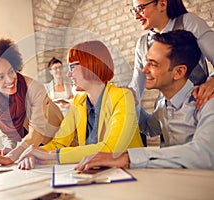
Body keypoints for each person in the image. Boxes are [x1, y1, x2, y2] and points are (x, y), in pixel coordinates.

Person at [75, 30, 214, 170]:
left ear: (178, 72)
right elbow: (149, 128)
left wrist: (128, 158)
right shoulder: (162, 105)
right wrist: (132, 103)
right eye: (146, 61)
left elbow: (205, 153)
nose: (144, 69)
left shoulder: (207, 101)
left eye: (153, 64)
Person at [15, 40, 143, 170]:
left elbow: (111, 149)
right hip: (93, 173)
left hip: (131, 174)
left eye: (72, 67)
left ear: (90, 65)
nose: (68, 74)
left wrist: (49, 155)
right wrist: (35, 153)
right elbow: (59, 142)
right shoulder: (78, 101)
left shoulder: (123, 97)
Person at [0, 38, 64, 166]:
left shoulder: (35, 88)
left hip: (57, 146)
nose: (10, 79)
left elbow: (37, 133)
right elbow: (8, 132)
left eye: (11, 71)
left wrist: (13, 155)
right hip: (32, 152)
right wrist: (9, 148)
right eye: (0, 77)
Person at [128, 0, 214, 111]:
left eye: (140, 9)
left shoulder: (188, 22)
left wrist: (212, 80)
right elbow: (136, 86)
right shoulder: (143, 43)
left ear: (162, 4)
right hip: (165, 115)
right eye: (134, 10)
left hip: (199, 108)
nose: (136, 16)